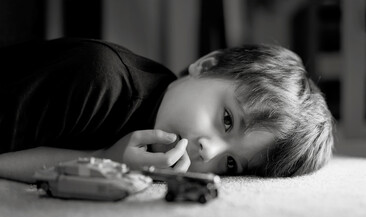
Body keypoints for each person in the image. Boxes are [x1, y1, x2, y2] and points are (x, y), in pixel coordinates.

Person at [0, 38, 334, 183]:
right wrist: (103, 161)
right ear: (207, 65)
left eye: (231, 163)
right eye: (227, 119)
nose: (209, 150)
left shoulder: (161, 101)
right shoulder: (99, 81)